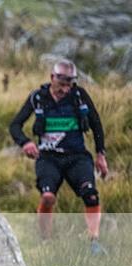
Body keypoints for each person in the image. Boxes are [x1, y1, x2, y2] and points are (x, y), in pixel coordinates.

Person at [9, 58, 109, 255]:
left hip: (77, 157)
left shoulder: (79, 96)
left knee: (91, 195)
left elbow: (96, 124)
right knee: (47, 197)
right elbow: (15, 125)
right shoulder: (38, 97)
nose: (66, 90)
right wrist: (26, 142)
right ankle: (45, 240)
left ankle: (93, 242)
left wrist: (101, 154)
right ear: (52, 78)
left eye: (69, 85)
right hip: (48, 158)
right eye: (62, 85)